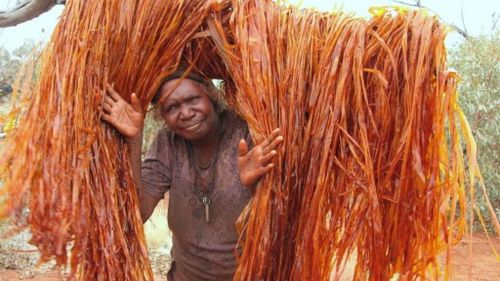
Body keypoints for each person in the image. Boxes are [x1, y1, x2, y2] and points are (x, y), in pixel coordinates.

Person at [100, 71, 283, 281]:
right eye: (172, 107)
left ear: (211, 96)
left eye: (193, 99)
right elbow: (136, 214)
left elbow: (282, 220)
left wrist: (256, 187)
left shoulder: (249, 133)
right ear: (163, 117)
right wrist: (134, 139)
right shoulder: (167, 144)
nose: (186, 113)